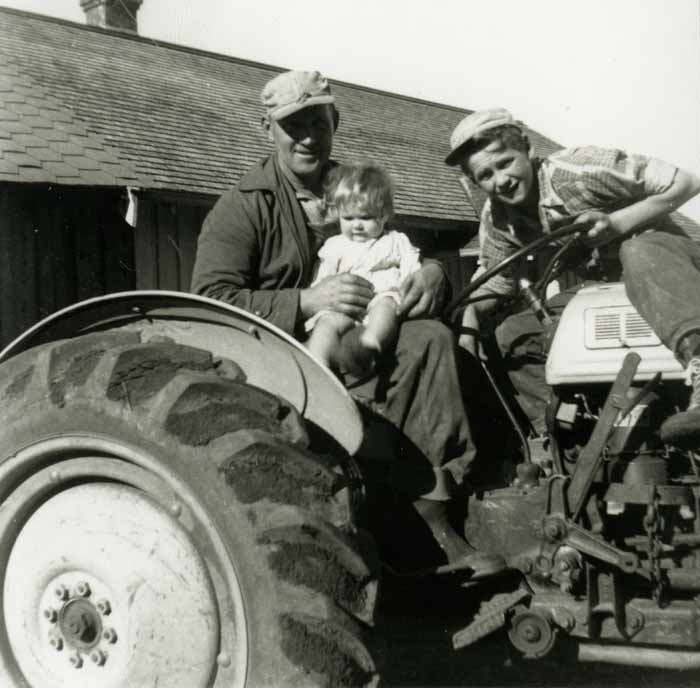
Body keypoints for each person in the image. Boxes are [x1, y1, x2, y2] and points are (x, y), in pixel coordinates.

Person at [191, 69, 505, 573]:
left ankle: (435, 507)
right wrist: (306, 301)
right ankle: (397, 521)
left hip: (370, 333)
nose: (308, 137)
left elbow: (398, 250)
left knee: (432, 337)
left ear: (335, 123)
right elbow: (209, 300)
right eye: (293, 126)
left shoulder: (357, 185)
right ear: (266, 129)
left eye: (318, 122)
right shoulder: (243, 207)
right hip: (291, 355)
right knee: (416, 348)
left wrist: (431, 274)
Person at [444, 107, 700, 444]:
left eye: (505, 163)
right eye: (485, 175)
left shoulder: (579, 170)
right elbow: (499, 278)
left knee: (635, 250)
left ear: (527, 149)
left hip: (669, 271)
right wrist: (470, 317)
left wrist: (617, 224)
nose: (501, 180)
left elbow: (687, 182)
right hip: (605, 292)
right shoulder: (498, 219)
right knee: (512, 335)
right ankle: (568, 440)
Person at [305, 161, 421, 371]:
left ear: (384, 215)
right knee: (326, 324)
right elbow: (325, 276)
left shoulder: (396, 240)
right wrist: (323, 296)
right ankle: (317, 361)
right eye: (348, 218)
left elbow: (411, 267)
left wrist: (406, 287)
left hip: (381, 295)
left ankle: (370, 343)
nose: (357, 225)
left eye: (366, 217)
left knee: (385, 307)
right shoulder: (335, 244)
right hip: (343, 304)